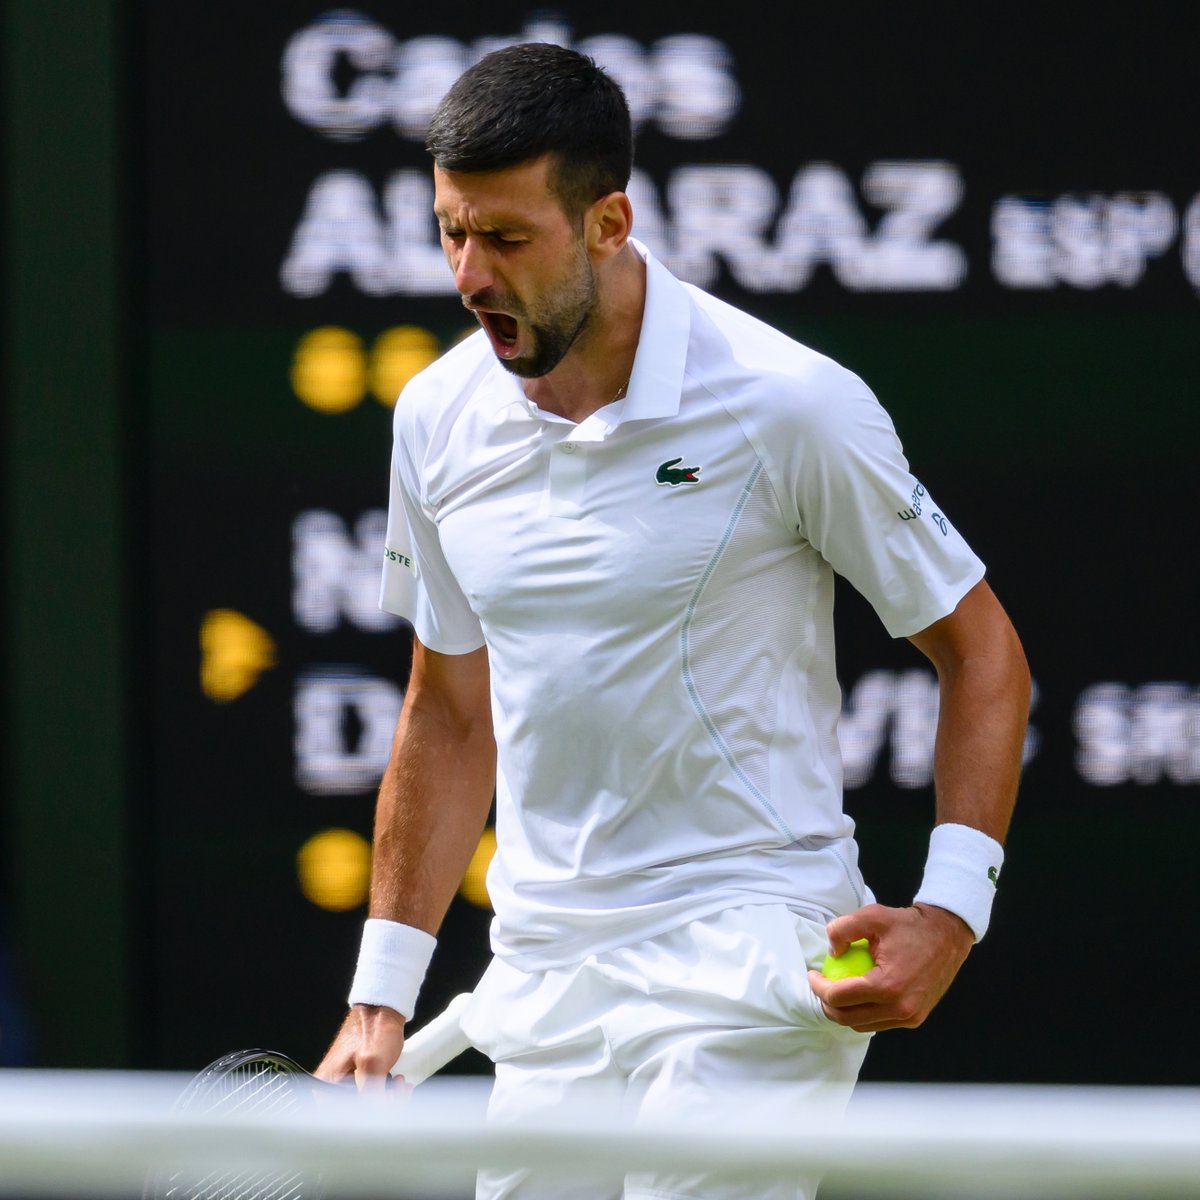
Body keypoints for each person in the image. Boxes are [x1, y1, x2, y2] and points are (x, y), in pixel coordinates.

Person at [316, 42, 1030, 1200]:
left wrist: (951, 911)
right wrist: (379, 996)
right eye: (451, 231)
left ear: (609, 222)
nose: (467, 273)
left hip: (756, 949)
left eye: (506, 238)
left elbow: (982, 651)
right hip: (545, 972)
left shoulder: (789, 402)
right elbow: (448, 715)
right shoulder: (436, 416)